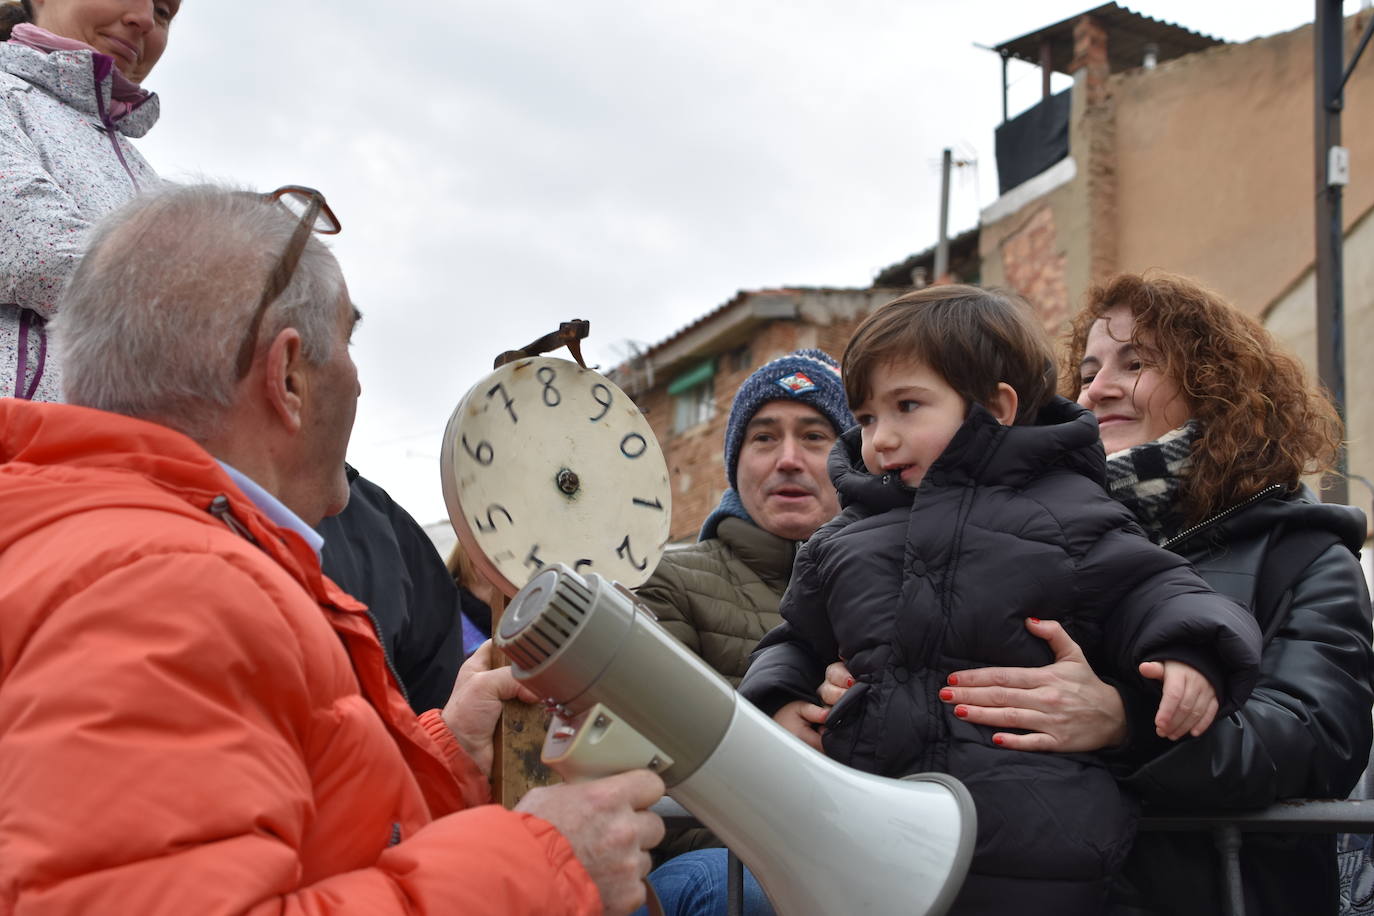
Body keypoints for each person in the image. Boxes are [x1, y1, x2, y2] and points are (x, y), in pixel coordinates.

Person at [0, 183, 663, 914]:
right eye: (346, 344)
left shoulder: (106, 547)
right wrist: (546, 865)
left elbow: (266, 832)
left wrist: (443, 754)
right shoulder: (170, 593)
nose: (357, 379)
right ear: (288, 377)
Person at [856, 272, 1372, 915]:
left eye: (1136, 363)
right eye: (1090, 367)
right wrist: (853, 689)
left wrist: (1125, 722)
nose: (1097, 388)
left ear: (1217, 385)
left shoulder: (1302, 552)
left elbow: (1313, 741)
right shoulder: (1017, 526)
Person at [738, 285, 1263, 914]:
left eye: (908, 406)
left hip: (1033, 854)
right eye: (869, 416)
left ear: (996, 407)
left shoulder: (1071, 515)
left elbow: (1161, 591)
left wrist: (1191, 655)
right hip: (868, 843)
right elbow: (795, 639)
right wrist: (780, 701)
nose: (879, 439)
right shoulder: (845, 538)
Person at [635, 348, 852, 684]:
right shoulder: (667, 585)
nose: (788, 460)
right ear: (735, 466)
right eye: (764, 438)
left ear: (854, 462)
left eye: (813, 437)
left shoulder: (909, 587)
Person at [1, 0, 171, 401]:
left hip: (110, 457)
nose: (145, 19)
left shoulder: (148, 177)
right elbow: (34, 249)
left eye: (164, 10)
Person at [317, 464, 491, 713]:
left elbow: (438, 706)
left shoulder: (385, 524)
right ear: (471, 560)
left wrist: (453, 739)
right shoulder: (380, 524)